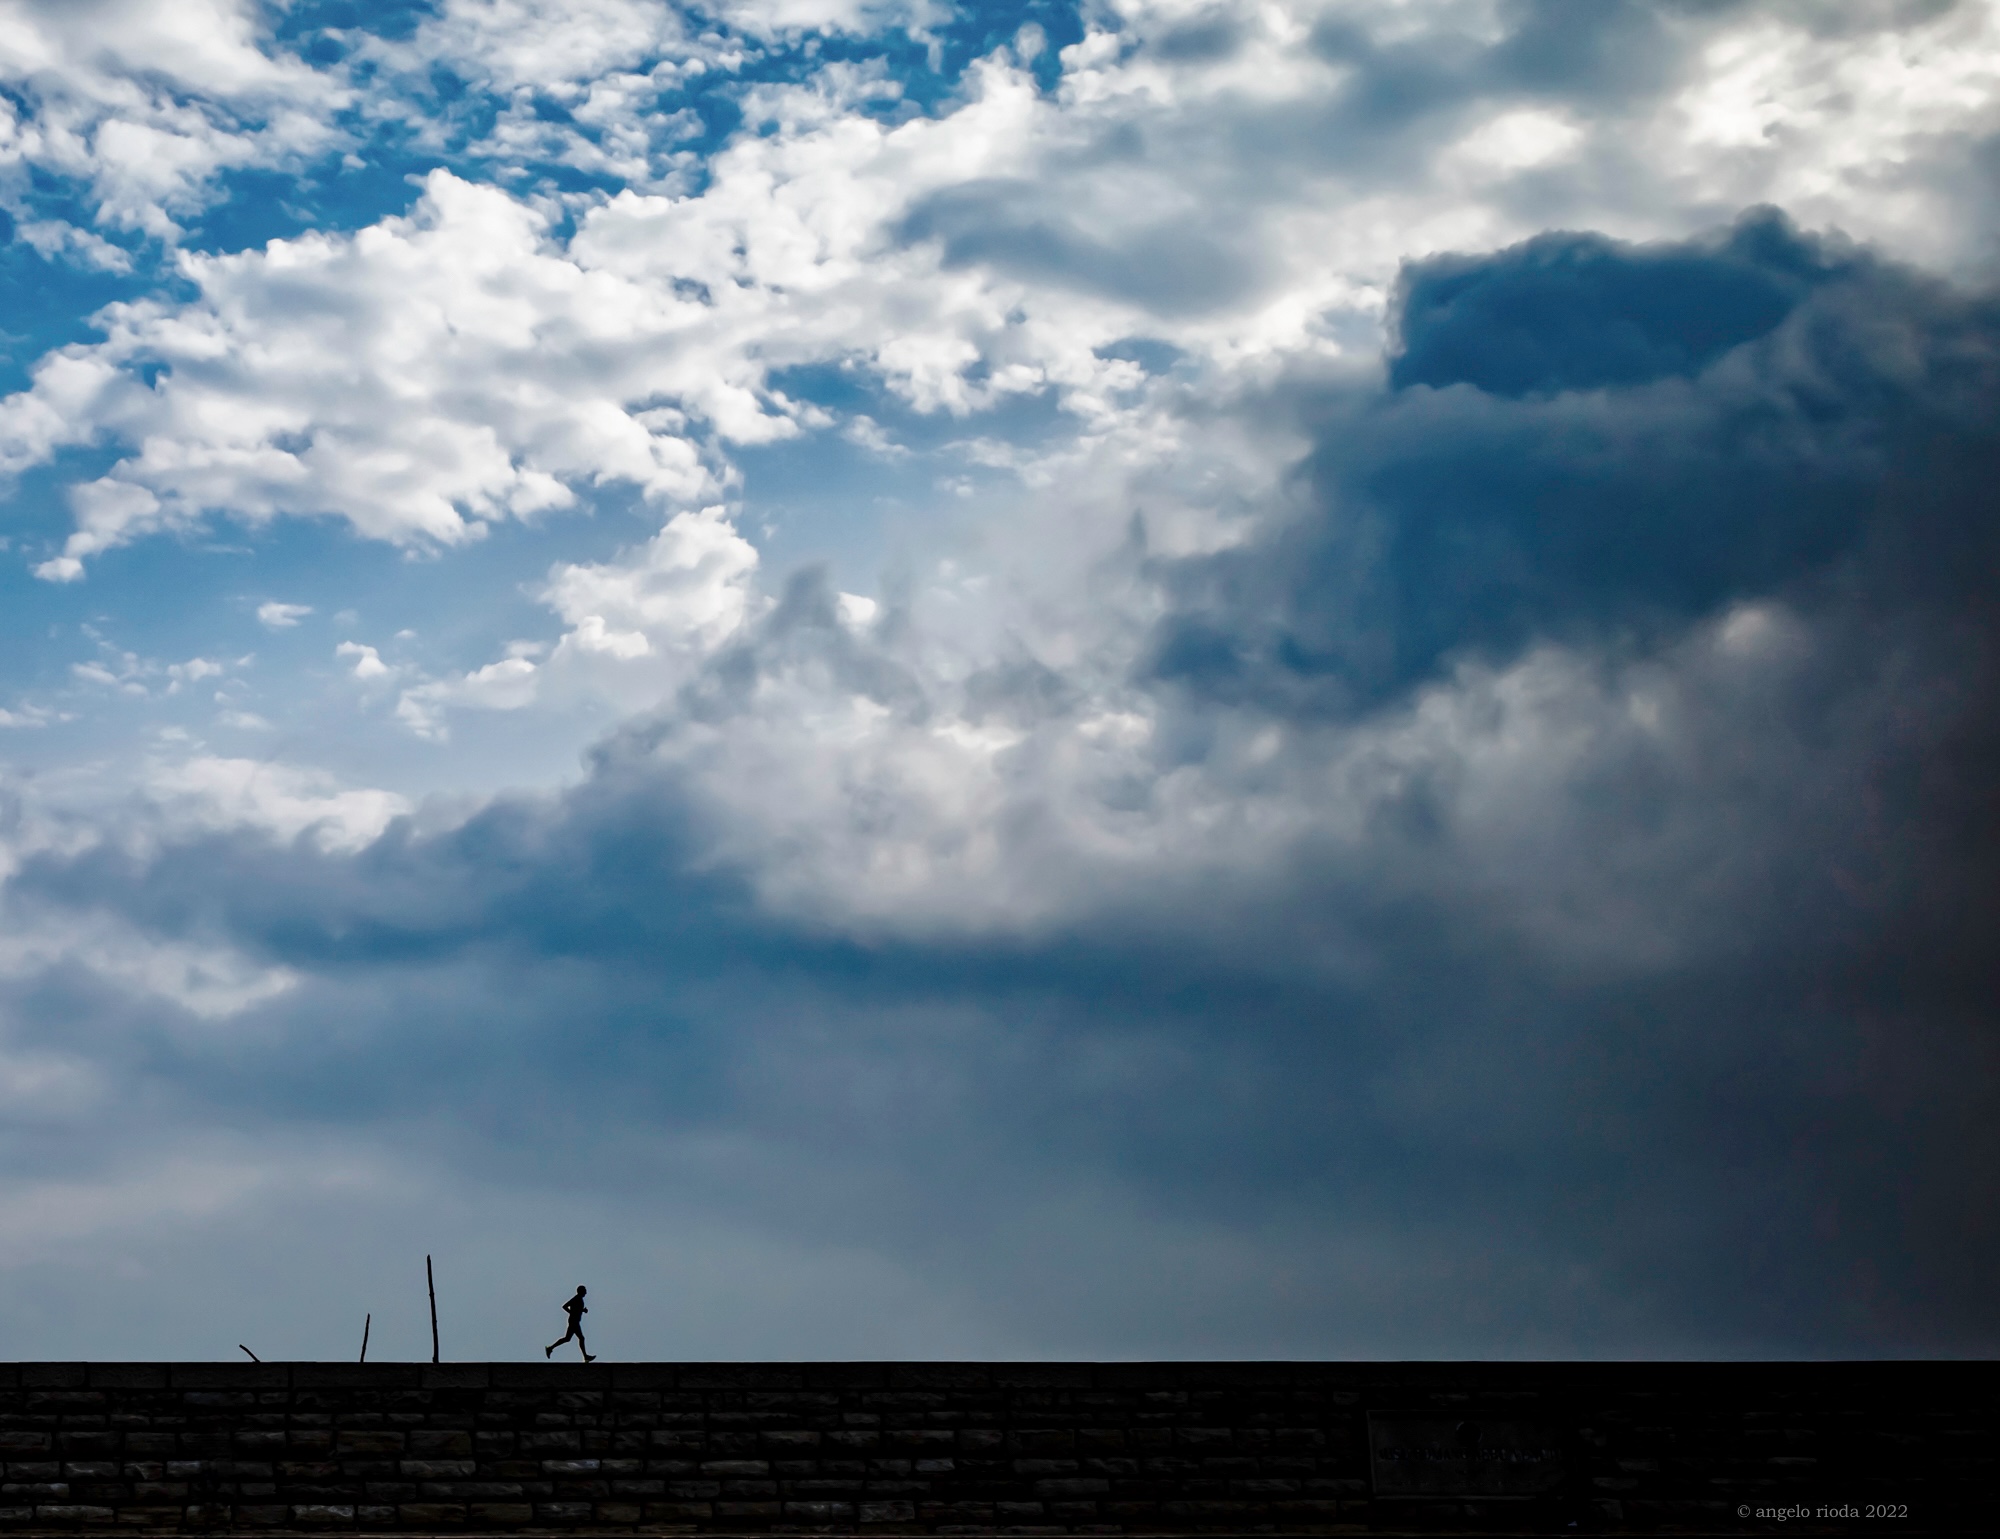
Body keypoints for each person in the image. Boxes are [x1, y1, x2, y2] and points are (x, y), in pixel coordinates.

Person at [546, 1285, 595, 1361]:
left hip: (575, 1320)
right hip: (574, 1321)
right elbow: (565, 1306)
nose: (586, 1292)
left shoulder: (579, 1299)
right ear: (581, 1291)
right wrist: (572, 1313)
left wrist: (582, 1310)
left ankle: (550, 1348)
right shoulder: (577, 1298)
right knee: (581, 1338)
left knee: (567, 1338)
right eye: (584, 1290)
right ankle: (585, 1356)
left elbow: (576, 1309)